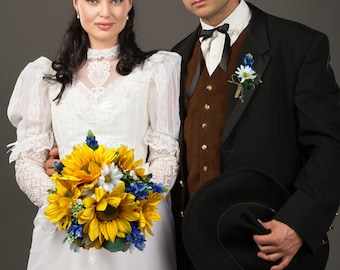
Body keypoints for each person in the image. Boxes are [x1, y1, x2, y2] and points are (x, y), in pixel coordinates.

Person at [7, 0, 181, 269]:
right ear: (77, 4)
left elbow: (165, 156)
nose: (105, 12)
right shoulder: (46, 78)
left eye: (116, 1)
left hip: (137, 224)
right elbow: (28, 161)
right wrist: (72, 208)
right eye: (93, 1)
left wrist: (127, 205)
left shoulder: (156, 71)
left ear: (129, 5)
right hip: (64, 228)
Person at [169, 0, 340, 270]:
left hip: (268, 249)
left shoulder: (299, 44)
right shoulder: (174, 59)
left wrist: (299, 223)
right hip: (190, 252)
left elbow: (331, 145)